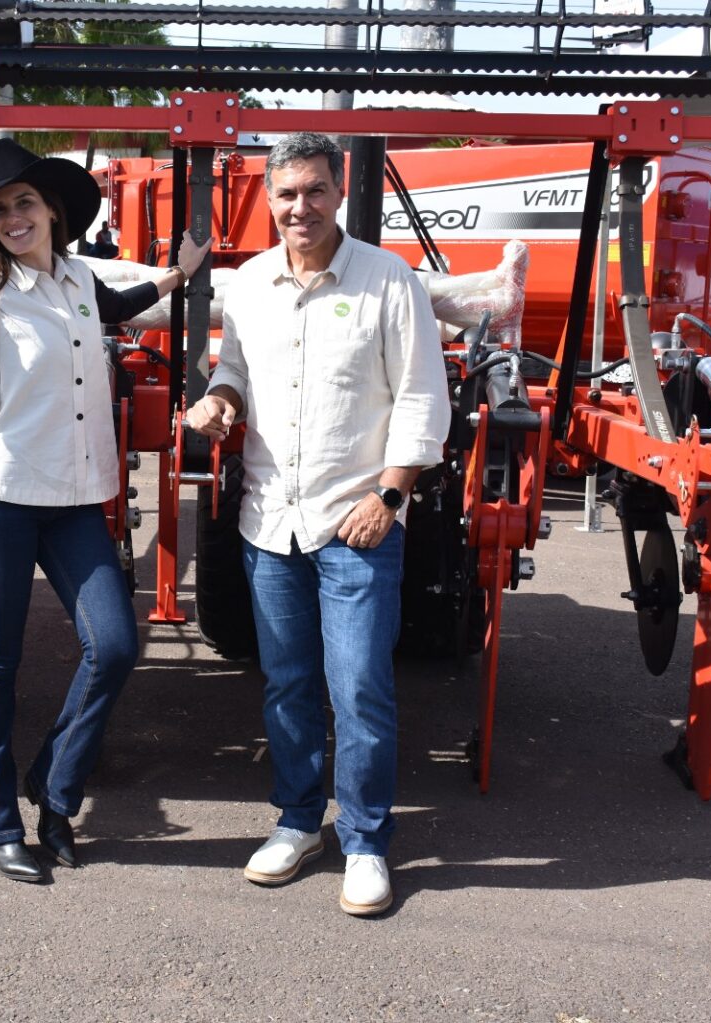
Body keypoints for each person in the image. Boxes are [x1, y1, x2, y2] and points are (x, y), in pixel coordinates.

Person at [0, 138, 212, 883]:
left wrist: (181, 272)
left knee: (117, 646)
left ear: (54, 211)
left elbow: (127, 303)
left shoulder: (80, 281)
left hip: (70, 500)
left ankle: (55, 791)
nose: (11, 218)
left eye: (23, 202)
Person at [184, 131, 450, 916]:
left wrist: (391, 496)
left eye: (315, 190)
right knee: (289, 686)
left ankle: (364, 841)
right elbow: (234, 370)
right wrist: (221, 400)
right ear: (268, 199)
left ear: (339, 192)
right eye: (287, 193)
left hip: (356, 522)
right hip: (271, 520)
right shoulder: (250, 283)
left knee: (360, 687)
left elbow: (421, 397)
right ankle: (299, 820)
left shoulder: (388, 281)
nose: (301, 207)